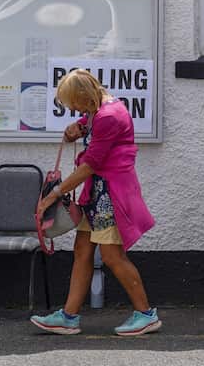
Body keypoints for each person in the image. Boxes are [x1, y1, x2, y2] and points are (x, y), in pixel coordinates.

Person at [31, 69, 159, 337]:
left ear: (83, 95)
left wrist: (54, 194)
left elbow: (90, 165)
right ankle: (68, 316)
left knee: (113, 256)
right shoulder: (100, 109)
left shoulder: (108, 116)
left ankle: (146, 315)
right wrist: (75, 129)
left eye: (73, 102)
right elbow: (91, 129)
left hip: (109, 194)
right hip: (98, 193)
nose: (72, 108)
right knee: (82, 250)